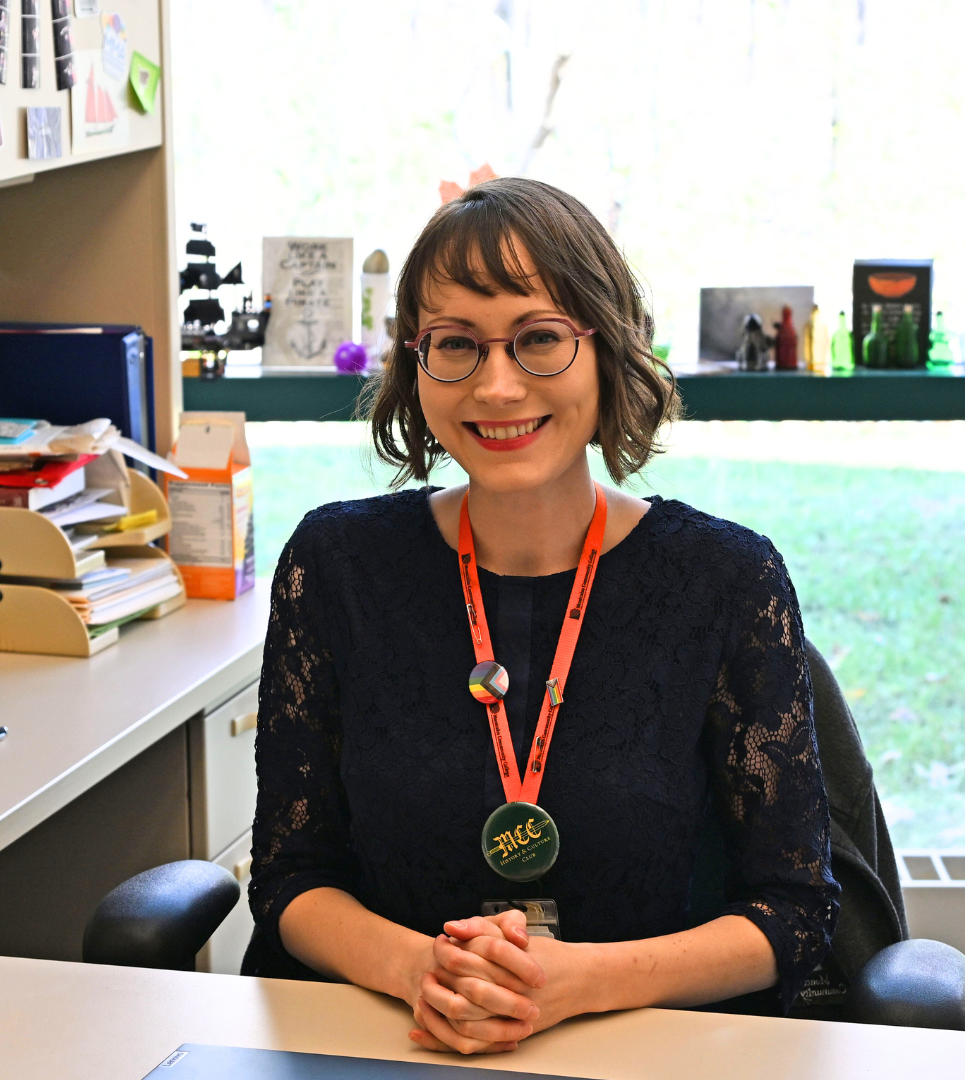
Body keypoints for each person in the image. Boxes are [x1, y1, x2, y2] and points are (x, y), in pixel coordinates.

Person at [247, 177, 839, 1055]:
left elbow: (793, 913)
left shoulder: (724, 579)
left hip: (644, 1053)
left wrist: (570, 985)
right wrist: (425, 973)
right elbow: (292, 878)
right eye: (455, 344)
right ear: (417, 363)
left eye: (539, 340)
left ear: (610, 348)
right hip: (388, 1041)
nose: (496, 385)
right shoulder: (336, 566)